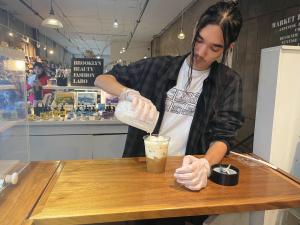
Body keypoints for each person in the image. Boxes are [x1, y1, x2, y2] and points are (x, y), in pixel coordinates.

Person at [95, 1, 244, 224]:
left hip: (184, 180)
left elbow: (223, 136)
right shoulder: (158, 67)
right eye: (200, 40)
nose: (201, 52)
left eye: (214, 48)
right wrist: (128, 93)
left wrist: (205, 165)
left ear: (229, 48)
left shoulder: (229, 82)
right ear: (195, 30)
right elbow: (102, 78)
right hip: (141, 174)